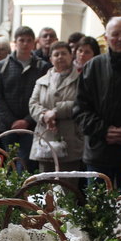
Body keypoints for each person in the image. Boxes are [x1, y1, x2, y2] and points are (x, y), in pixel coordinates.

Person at [74, 16, 121, 188]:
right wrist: (104, 130)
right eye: (115, 34)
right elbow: (80, 109)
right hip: (99, 151)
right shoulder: (92, 67)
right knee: (98, 210)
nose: (120, 38)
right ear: (106, 38)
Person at [0, 26, 51, 171]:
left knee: (25, 167)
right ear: (15, 42)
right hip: (7, 126)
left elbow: (44, 98)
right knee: (7, 167)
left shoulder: (42, 67)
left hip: (31, 126)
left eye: (28, 40)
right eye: (21, 40)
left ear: (34, 43)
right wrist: (12, 121)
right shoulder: (2, 66)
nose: (25, 44)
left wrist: (27, 120)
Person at [28, 41, 83, 172]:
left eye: (64, 53)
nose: (60, 57)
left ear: (71, 56)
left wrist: (56, 112)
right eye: (56, 54)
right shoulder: (41, 81)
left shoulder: (82, 80)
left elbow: (80, 103)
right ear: (50, 59)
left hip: (70, 139)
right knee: (46, 185)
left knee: (67, 187)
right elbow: (33, 104)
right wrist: (44, 115)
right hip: (45, 139)